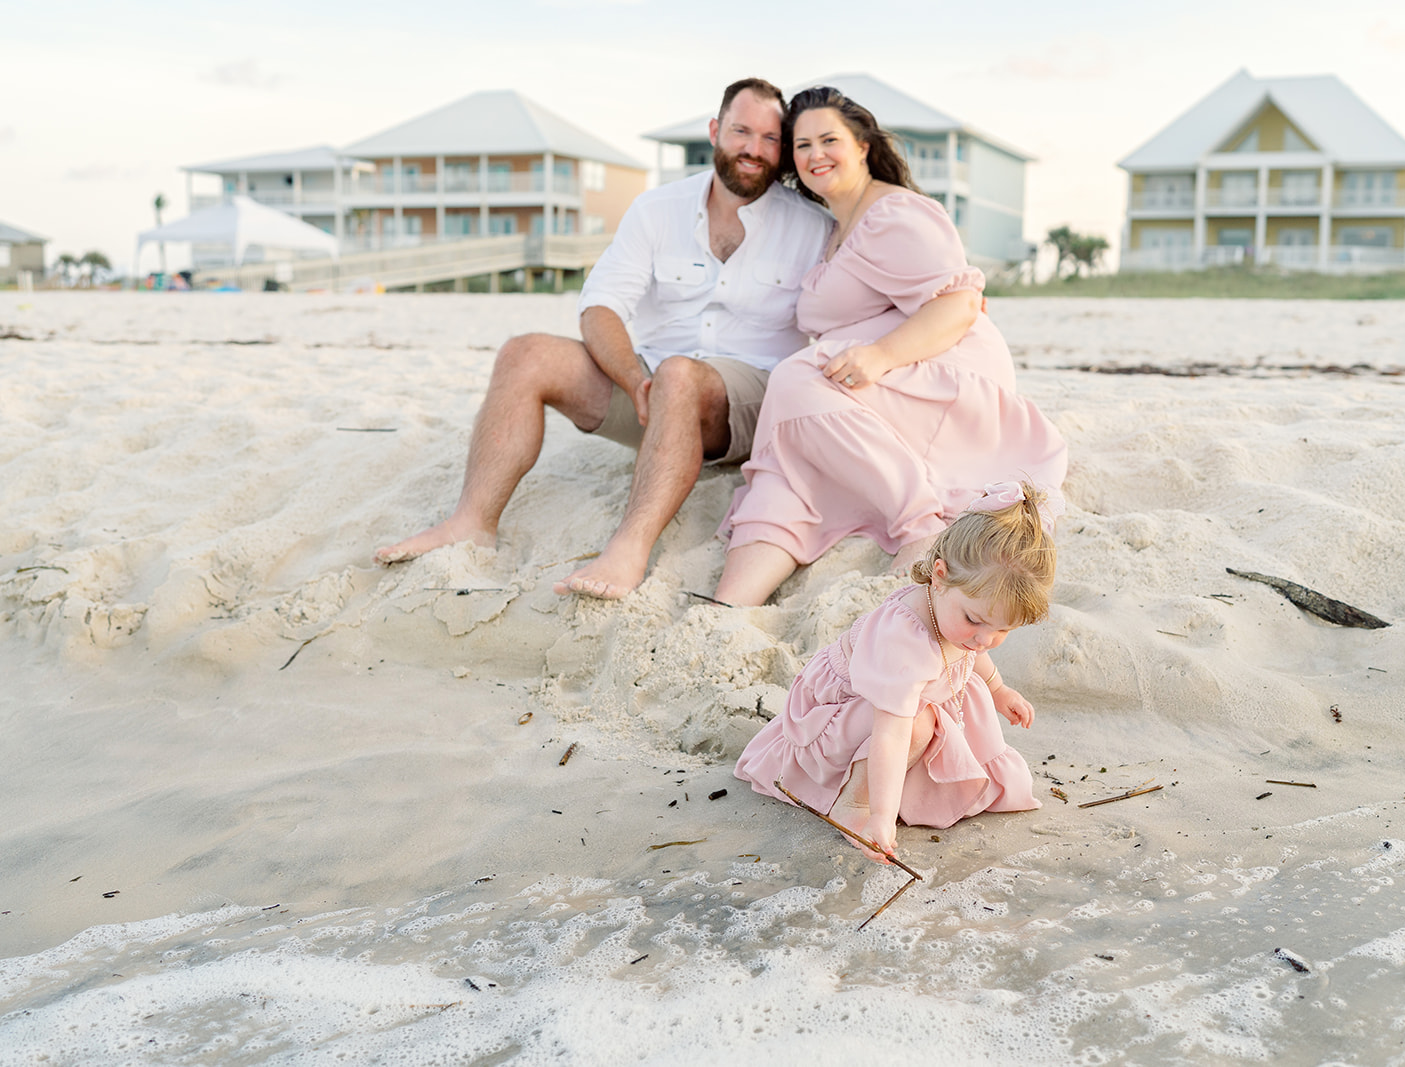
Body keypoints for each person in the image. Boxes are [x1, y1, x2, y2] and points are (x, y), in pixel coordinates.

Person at [375, 78, 831, 599]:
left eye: (770, 138)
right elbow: (599, 307)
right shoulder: (657, 209)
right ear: (714, 131)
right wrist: (634, 379)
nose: (753, 148)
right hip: (652, 393)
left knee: (679, 375)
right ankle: (471, 523)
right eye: (741, 131)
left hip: (747, 407)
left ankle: (627, 551)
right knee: (525, 353)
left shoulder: (813, 226)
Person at [714, 86, 1069, 607]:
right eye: (802, 145)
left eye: (829, 140)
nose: (815, 155)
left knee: (793, 381)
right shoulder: (833, 227)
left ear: (861, 145)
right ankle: (730, 608)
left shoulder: (898, 212)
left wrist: (878, 357)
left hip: (941, 370)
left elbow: (961, 305)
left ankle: (918, 522)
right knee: (790, 456)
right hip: (879, 378)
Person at [735, 482, 1058, 863]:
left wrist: (998, 690)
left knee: (934, 712)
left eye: (1002, 629)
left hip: (912, 699)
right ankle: (854, 801)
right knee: (917, 726)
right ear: (939, 575)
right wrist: (881, 818)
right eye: (976, 620)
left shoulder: (959, 615)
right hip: (848, 709)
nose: (986, 638)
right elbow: (890, 736)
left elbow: (973, 653)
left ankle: (907, 785)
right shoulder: (904, 639)